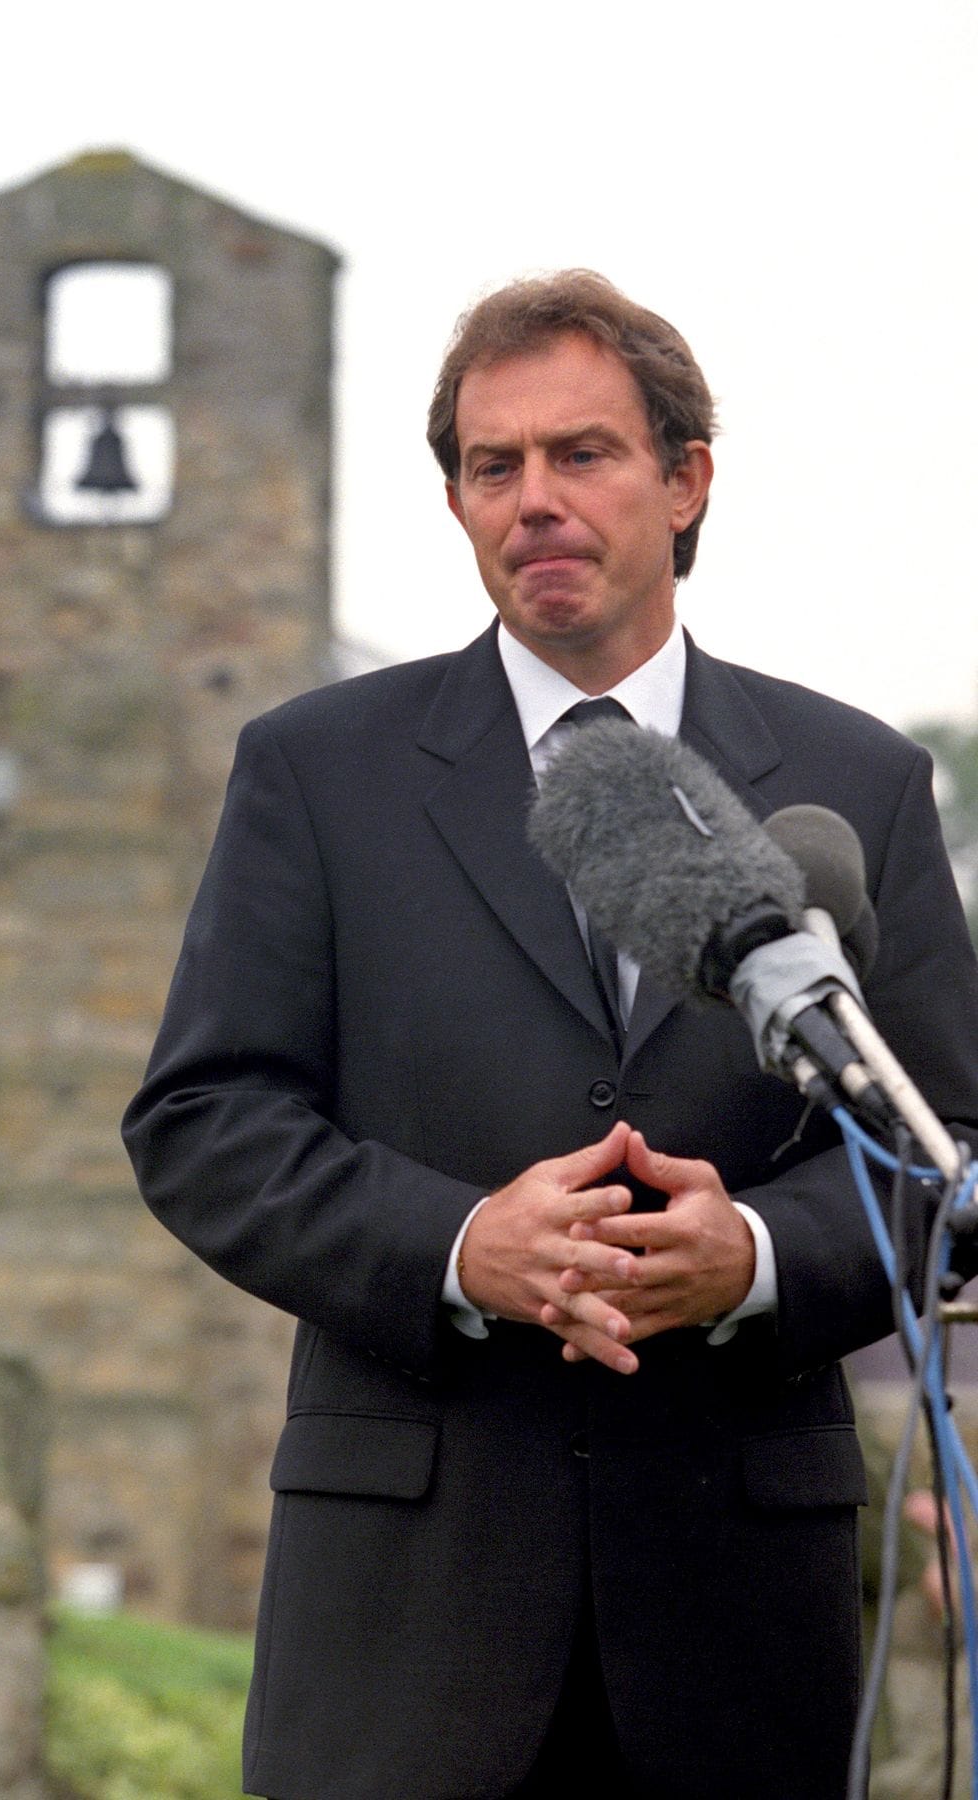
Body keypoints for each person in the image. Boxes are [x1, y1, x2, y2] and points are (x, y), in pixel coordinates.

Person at [122, 271, 978, 1800]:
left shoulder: (860, 782)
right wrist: (462, 1248)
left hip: (741, 1631)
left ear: (686, 478)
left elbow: (949, 1154)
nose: (533, 500)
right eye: (489, 464)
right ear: (454, 498)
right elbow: (204, 1119)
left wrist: (758, 1260)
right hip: (404, 1626)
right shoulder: (319, 772)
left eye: (581, 454)